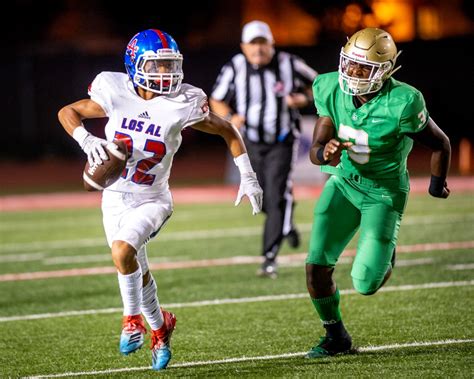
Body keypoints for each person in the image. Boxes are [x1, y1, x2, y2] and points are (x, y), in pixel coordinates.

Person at [57, 29, 263, 371]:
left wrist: (248, 175)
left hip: (154, 198)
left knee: (123, 252)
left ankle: (131, 320)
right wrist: (85, 139)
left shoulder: (183, 101)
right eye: (156, 67)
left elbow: (227, 129)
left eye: (170, 65)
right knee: (137, 270)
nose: (165, 74)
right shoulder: (113, 89)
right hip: (115, 198)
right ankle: (161, 328)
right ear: (135, 65)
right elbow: (69, 112)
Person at [305, 27, 451, 358]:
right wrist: (324, 153)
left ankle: (387, 253)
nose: (353, 73)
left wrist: (436, 183)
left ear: (385, 70)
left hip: (382, 192)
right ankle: (336, 336)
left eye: (363, 67)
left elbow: (440, 143)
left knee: (366, 284)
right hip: (343, 182)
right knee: (316, 266)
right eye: (350, 64)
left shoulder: (403, 102)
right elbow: (316, 149)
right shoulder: (329, 87)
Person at [210, 20, 317, 278]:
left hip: (282, 140)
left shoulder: (290, 63)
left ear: (272, 44)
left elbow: (319, 84)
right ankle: (286, 222)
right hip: (251, 143)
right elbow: (216, 99)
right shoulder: (235, 66)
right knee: (262, 197)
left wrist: (301, 98)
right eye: (252, 44)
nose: (257, 49)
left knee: (276, 196)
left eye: (262, 43)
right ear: (244, 47)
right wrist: (230, 117)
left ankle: (269, 257)